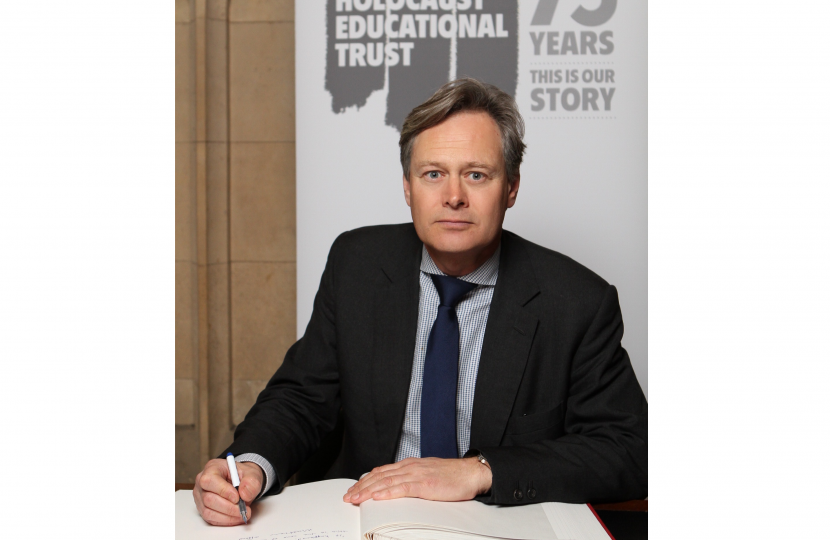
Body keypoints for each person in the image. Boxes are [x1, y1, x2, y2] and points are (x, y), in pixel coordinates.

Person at [193, 78, 648, 526]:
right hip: (362, 519)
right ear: (408, 187)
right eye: (433, 174)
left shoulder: (576, 301)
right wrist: (251, 466)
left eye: (476, 174)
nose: (453, 196)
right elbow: (302, 399)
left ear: (511, 188)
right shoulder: (358, 265)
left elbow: (630, 449)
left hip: (497, 526)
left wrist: (479, 470)